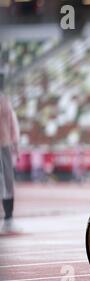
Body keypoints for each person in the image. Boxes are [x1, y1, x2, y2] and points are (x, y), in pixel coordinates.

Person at [0, 76, 21, 234]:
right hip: (5, 144)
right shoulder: (5, 100)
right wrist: (16, 146)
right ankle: (8, 218)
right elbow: (13, 124)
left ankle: (8, 218)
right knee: (6, 183)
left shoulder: (5, 100)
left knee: (7, 182)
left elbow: (13, 124)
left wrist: (16, 146)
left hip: (5, 145)